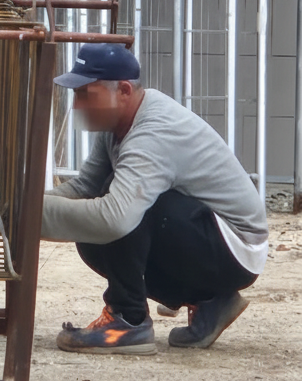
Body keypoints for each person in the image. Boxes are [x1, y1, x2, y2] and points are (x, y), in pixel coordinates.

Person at [42, 43, 268, 355]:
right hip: (209, 238)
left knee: (120, 206)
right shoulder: (118, 125)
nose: (77, 107)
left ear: (122, 90)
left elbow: (115, 217)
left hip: (236, 247)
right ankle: (210, 301)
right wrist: (27, 205)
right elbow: (84, 188)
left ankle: (127, 320)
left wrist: (29, 214)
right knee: (90, 228)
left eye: (85, 95)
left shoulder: (153, 131)